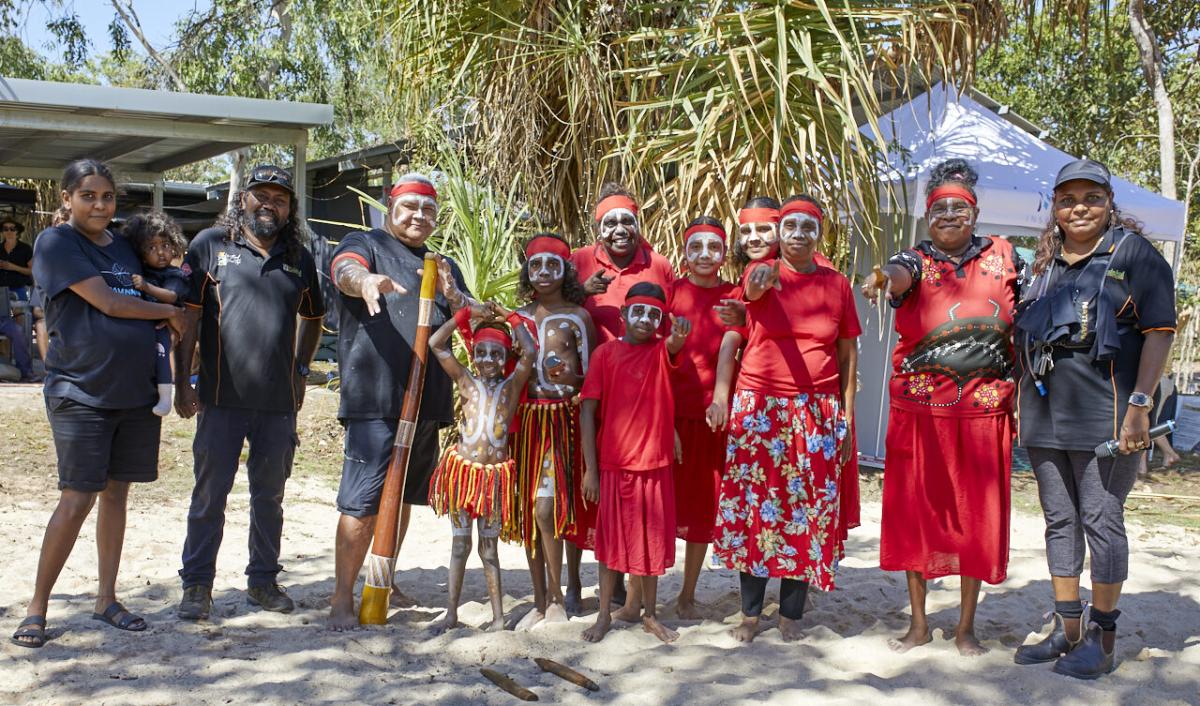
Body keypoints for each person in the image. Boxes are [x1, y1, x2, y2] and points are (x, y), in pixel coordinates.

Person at [1012, 159, 1176, 679]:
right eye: (1067, 198)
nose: (1078, 207)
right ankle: (1068, 628)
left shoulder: (1134, 254)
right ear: (1054, 207)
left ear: (1109, 203)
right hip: (1044, 412)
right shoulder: (1044, 263)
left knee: (1102, 522)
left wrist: (1140, 408)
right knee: (1060, 521)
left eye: (1091, 197)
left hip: (1108, 416)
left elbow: (1160, 331)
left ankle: (1103, 638)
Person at [11, 159, 184, 648]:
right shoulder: (56, 244)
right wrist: (170, 311)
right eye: (88, 195)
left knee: (116, 495)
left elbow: (154, 275)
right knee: (76, 498)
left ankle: (106, 598)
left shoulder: (126, 247)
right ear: (67, 198)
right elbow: (109, 302)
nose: (99, 205)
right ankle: (37, 607)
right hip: (80, 392)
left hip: (134, 393)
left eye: (107, 197)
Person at [863, 159, 1021, 657]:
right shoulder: (914, 259)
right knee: (917, 516)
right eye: (938, 209)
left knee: (976, 521)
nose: (948, 216)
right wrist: (882, 278)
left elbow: (1031, 309)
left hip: (982, 413)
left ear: (973, 213)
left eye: (958, 208)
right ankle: (918, 623)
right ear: (927, 216)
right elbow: (897, 273)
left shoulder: (1004, 255)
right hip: (921, 414)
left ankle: (965, 627)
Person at [174, 165, 325, 621]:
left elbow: (314, 316)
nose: (269, 204)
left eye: (279, 198)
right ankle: (197, 585)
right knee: (209, 496)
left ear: (289, 208)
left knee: (269, 498)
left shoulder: (300, 257)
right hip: (220, 401)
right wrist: (183, 381)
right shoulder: (210, 247)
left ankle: (262, 581)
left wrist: (301, 368)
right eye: (261, 195)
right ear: (243, 200)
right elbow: (187, 321)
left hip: (278, 406)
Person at [326, 173, 473, 630]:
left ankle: (382, 576)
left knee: (403, 495)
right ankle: (341, 598)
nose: (419, 216)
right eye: (409, 207)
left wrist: (455, 296)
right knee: (362, 501)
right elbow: (344, 270)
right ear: (391, 207)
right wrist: (366, 281)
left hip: (426, 401)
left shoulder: (441, 262)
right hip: (377, 399)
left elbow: (467, 316)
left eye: (428, 209)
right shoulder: (366, 243)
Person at [710, 193, 860, 644]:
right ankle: (751, 615)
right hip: (760, 408)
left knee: (807, 513)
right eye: (790, 226)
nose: (798, 234)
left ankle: (792, 614)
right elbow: (754, 288)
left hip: (817, 411)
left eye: (807, 227)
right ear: (780, 231)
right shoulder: (763, 273)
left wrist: (847, 416)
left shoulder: (836, 285)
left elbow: (848, 353)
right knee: (755, 509)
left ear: (819, 233)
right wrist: (761, 277)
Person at [568, 184, 674, 609]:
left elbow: (669, 326)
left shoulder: (659, 265)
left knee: (633, 504)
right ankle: (575, 584)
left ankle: (630, 598)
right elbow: (547, 300)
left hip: (642, 400)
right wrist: (582, 291)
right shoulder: (578, 261)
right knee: (584, 492)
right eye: (609, 222)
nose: (618, 230)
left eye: (626, 221)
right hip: (588, 387)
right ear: (597, 228)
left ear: (638, 223)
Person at [580, 283, 691, 644]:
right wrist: (591, 469)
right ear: (624, 315)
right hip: (613, 462)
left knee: (651, 541)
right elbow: (587, 411)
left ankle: (650, 614)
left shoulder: (662, 350)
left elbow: (674, 345)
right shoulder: (605, 355)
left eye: (653, 315)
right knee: (611, 543)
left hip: (654, 464)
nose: (645, 320)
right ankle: (603, 614)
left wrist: (678, 334)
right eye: (638, 312)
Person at [426, 306, 537, 633]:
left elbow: (530, 352)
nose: (488, 359)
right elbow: (436, 343)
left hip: (493, 480)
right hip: (464, 475)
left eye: (496, 353)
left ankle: (499, 617)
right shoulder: (465, 380)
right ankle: (451, 613)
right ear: (473, 355)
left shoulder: (512, 387)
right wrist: (465, 314)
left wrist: (512, 319)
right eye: (482, 352)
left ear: (506, 358)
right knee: (460, 546)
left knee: (489, 550)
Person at [507, 233, 596, 625]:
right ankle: (543, 598)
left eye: (552, 265)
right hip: (528, 423)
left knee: (560, 506)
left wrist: (574, 382)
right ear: (527, 270)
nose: (543, 273)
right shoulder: (517, 317)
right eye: (536, 265)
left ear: (566, 271)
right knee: (535, 509)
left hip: (567, 420)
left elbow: (592, 379)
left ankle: (567, 589)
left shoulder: (578, 317)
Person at [667, 216, 735, 619]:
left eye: (713, 247)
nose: (705, 255)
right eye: (697, 247)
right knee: (662, 508)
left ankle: (687, 594)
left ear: (724, 253)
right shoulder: (671, 292)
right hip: (671, 417)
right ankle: (644, 593)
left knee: (699, 512)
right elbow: (652, 355)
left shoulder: (735, 296)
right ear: (685, 251)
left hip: (714, 419)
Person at [123, 212, 189, 416]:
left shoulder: (174, 274)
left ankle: (165, 397)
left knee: (162, 355)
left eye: (165, 246)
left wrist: (147, 287)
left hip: (162, 323)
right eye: (151, 247)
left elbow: (171, 296)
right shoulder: (140, 269)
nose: (160, 253)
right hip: (142, 324)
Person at [0, 217, 33, 301]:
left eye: (12, 229)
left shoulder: (26, 248)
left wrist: (13, 267)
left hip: (19, 290)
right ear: (2, 232)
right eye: (5, 229)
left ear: (17, 232)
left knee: (21, 314)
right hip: (1, 290)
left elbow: (32, 271)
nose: (9, 231)